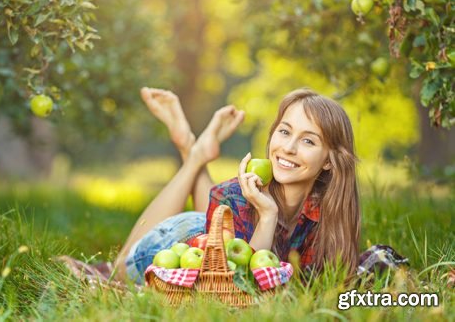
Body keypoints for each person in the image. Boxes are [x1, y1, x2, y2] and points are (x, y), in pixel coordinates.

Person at [60, 84, 361, 286]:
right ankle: (194, 156)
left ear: (328, 161)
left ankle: (194, 153)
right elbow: (242, 284)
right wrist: (267, 215)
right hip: (178, 240)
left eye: (308, 140)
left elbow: (325, 281)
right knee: (120, 270)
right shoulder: (231, 193)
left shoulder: (331, 209)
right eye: (284, 131)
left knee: (219, 225)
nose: (289, 148)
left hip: (210, 245)